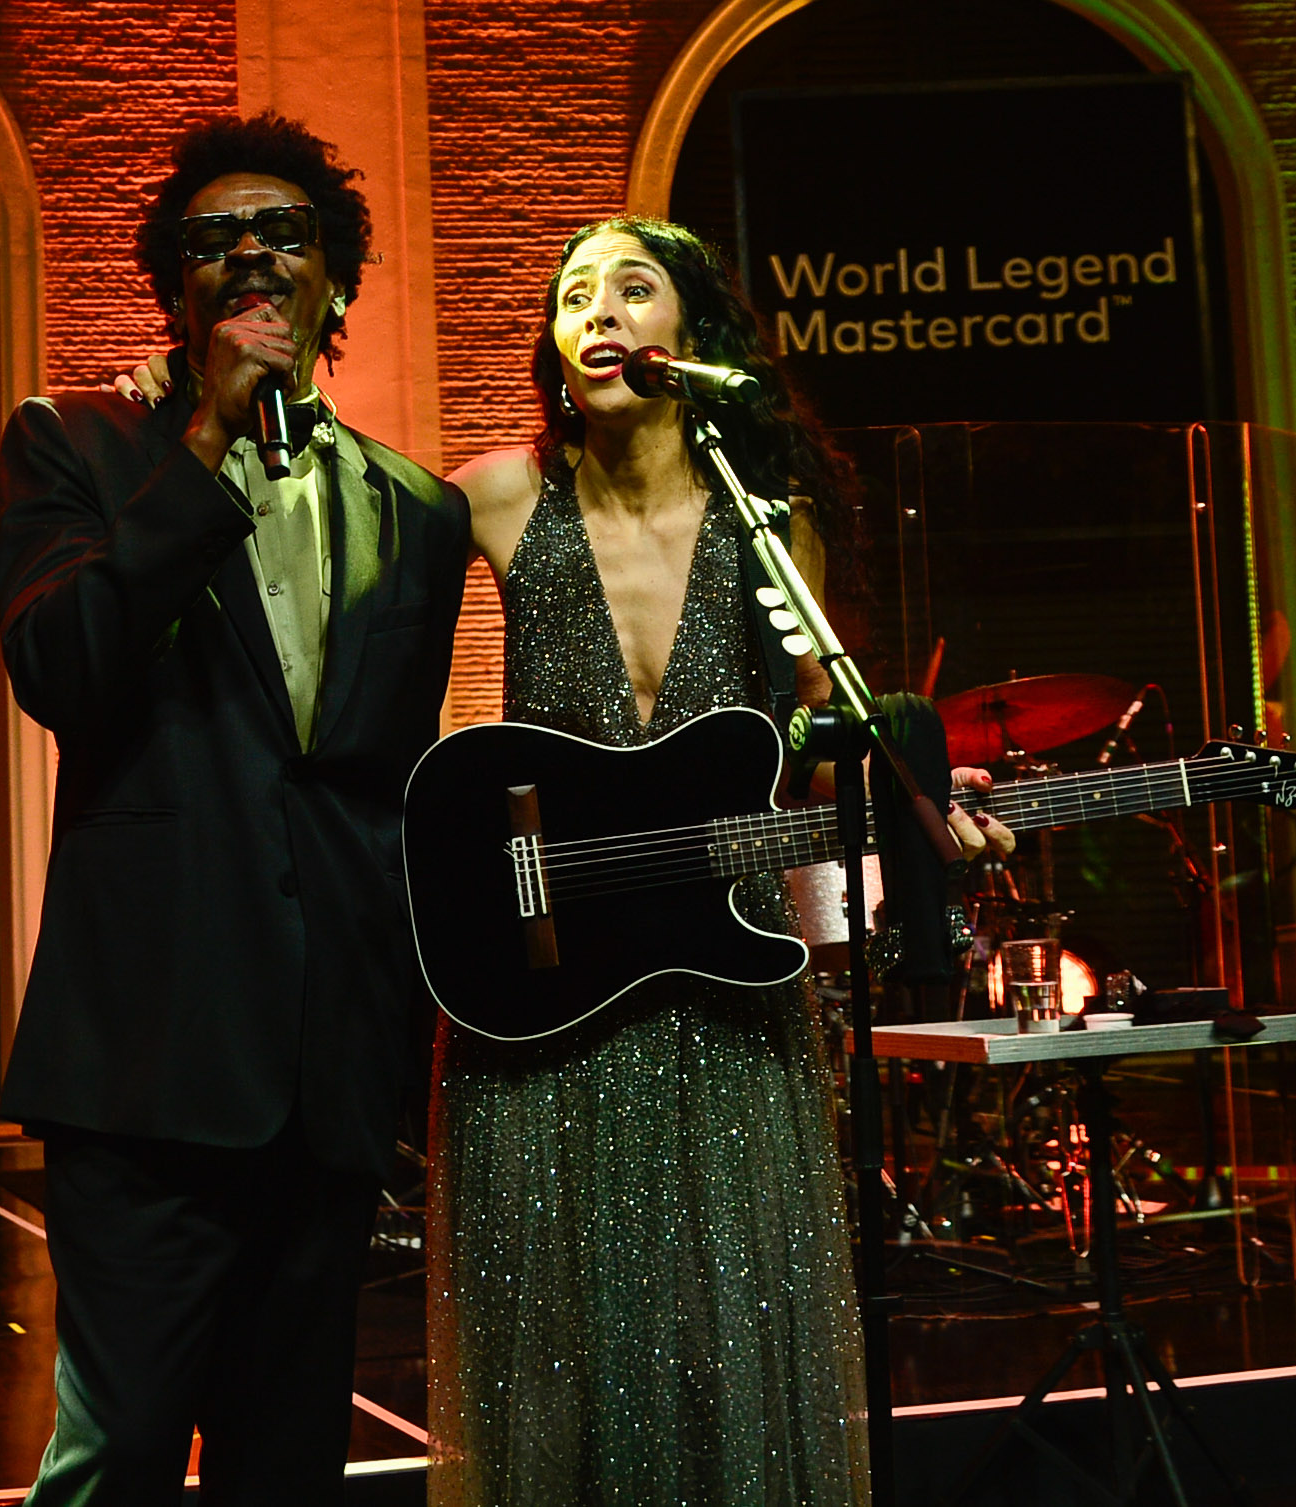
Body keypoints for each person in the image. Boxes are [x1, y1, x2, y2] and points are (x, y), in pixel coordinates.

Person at [427, 216, 1011, 1506]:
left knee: (722, 1339)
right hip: (545, 985)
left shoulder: (768, 524)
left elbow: (807, 745)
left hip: (724, 987)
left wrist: (920, 804)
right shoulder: (496, 497)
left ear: (691, 336)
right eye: (574, 295)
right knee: (563, 1351)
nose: (599, 313)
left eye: (632, 290)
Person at [0, 113, 470, 1506]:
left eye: (284, 232)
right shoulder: (74, 444)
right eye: (214, 239)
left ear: (338, 280)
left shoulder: (418, 509)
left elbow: (388, 787)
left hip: (330, 1065)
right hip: (148, 1052)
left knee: (288, 1463)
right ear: (176, 286)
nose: (252, 253)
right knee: (124, 1449)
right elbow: (65, 670)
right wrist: (205, 437)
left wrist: (404, 1036)